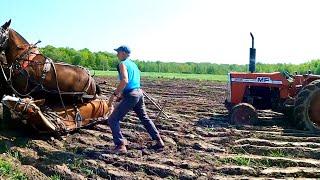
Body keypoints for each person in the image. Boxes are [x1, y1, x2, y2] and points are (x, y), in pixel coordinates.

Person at [107, 45, 165, 153]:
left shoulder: (122, 64)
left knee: (112, 119)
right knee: (144, 118)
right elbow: (134, 82)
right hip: (139, 93)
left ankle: (120, 146)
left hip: (132, 95)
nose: (117, 54)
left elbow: (125, 80)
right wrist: (123, 95)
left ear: (124, 53)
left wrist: (114, 94)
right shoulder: (134, 65)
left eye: (118, 52)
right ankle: (158, 141)